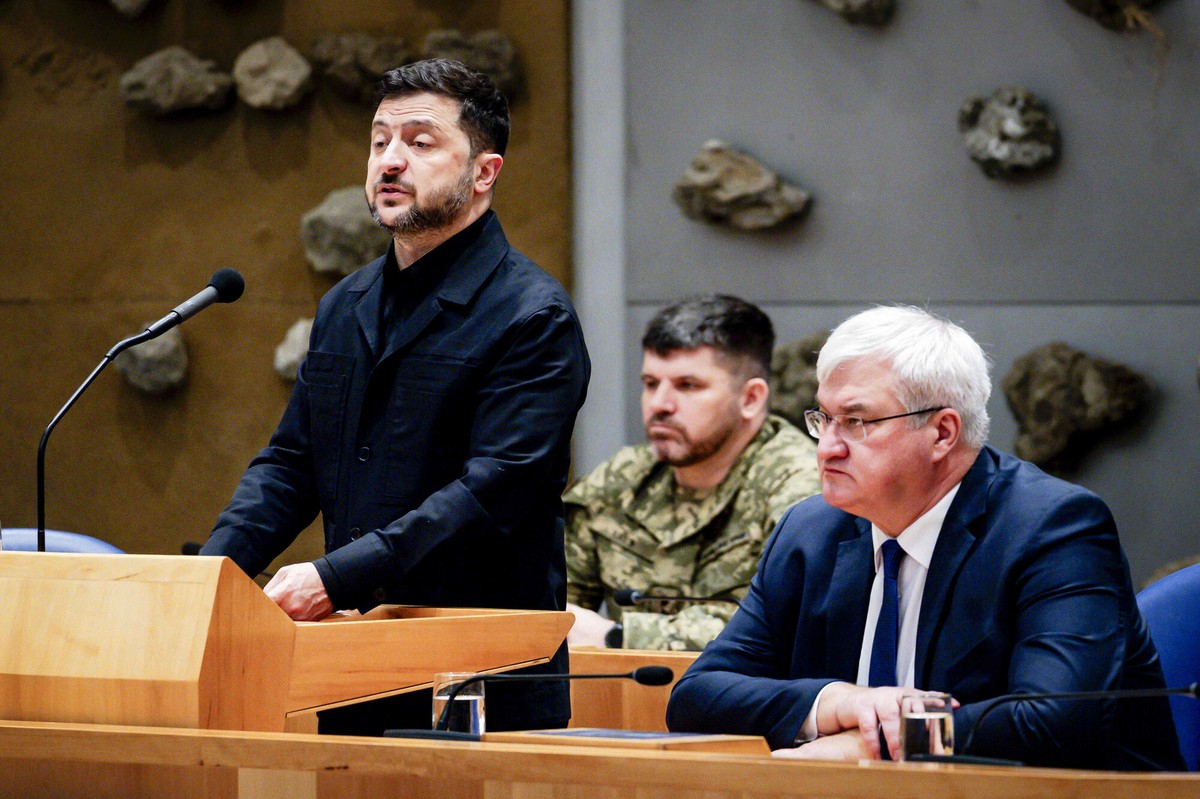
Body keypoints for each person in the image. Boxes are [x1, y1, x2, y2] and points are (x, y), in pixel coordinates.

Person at [200, 58, 590, 735]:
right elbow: (292, 465)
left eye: (420, 141)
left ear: (485, 173)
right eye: (380, 140)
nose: (390, 160)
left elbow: (488, 493)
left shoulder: (533, 316)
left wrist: (333, 576)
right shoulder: (344, 305)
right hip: (351, 663)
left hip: (479, 672)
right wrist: (207, 580)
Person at [666, 305, 1183, 770]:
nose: (826, 448)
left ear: (942, 432)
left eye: (856, 421)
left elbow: (1053, 721)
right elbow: (696, 697)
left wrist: (884, 742)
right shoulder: (811, 530)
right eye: (823, 419)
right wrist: (838, 703)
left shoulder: (1052, 528)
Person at [564, 295, 820, 651]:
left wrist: (618, 638)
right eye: (651, 383)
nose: (660, 405)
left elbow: (783, 629)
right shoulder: (623, 478)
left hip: (752, 703)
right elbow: (550, 607)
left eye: (688, 386)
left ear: (751, 399)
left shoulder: (802, 487)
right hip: (623, 701)